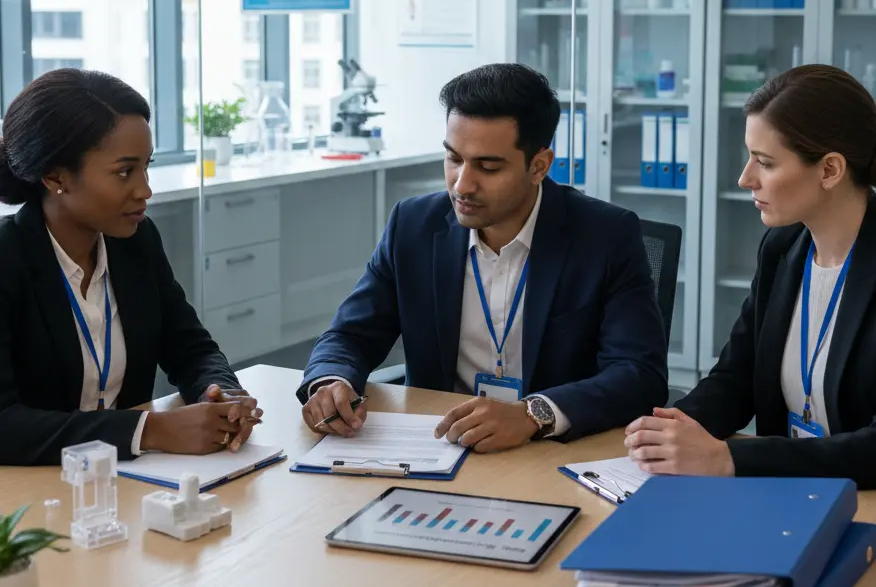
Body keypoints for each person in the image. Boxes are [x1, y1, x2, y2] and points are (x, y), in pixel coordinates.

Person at [299, 64, 668, 451]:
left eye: (488, 167)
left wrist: (533, 414)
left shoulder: (604, 236)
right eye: (454, 159)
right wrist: (330, 381)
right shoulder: (413, 226)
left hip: (549, 451)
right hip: (441, 446)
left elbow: (638, 373)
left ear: (539, 165)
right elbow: (351, 335)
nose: (462, 184)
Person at [625, 64, 876, 488]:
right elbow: (736, 377)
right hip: (787, 497)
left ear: (830, 170)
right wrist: (671, 429)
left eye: (765, 162)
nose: (745, 178)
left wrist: (730, 459)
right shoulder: (783, 250)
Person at [0, 69, 263, 466]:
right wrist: (150, 430)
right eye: (124, 171)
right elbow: (5, 424)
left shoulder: (135, 242)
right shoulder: (8, 258)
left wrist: (220, 393)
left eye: (146, 167)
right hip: (33, 495)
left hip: (128, 486)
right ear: (55, 176)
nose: (145, 190)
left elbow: (190, 347)